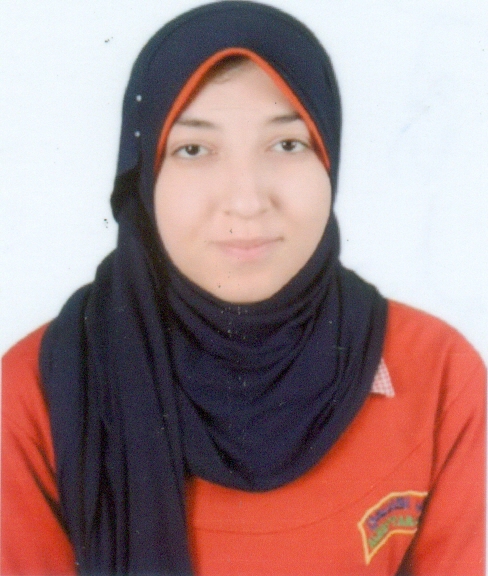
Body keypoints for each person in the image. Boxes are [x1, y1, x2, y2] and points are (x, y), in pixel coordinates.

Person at [1, 2, 485, 575]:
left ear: (329, 157)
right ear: (145, 177)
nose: (247, 201)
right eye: (193, 149)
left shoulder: (435, 373)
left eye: (287, 145)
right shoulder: (40, 395)